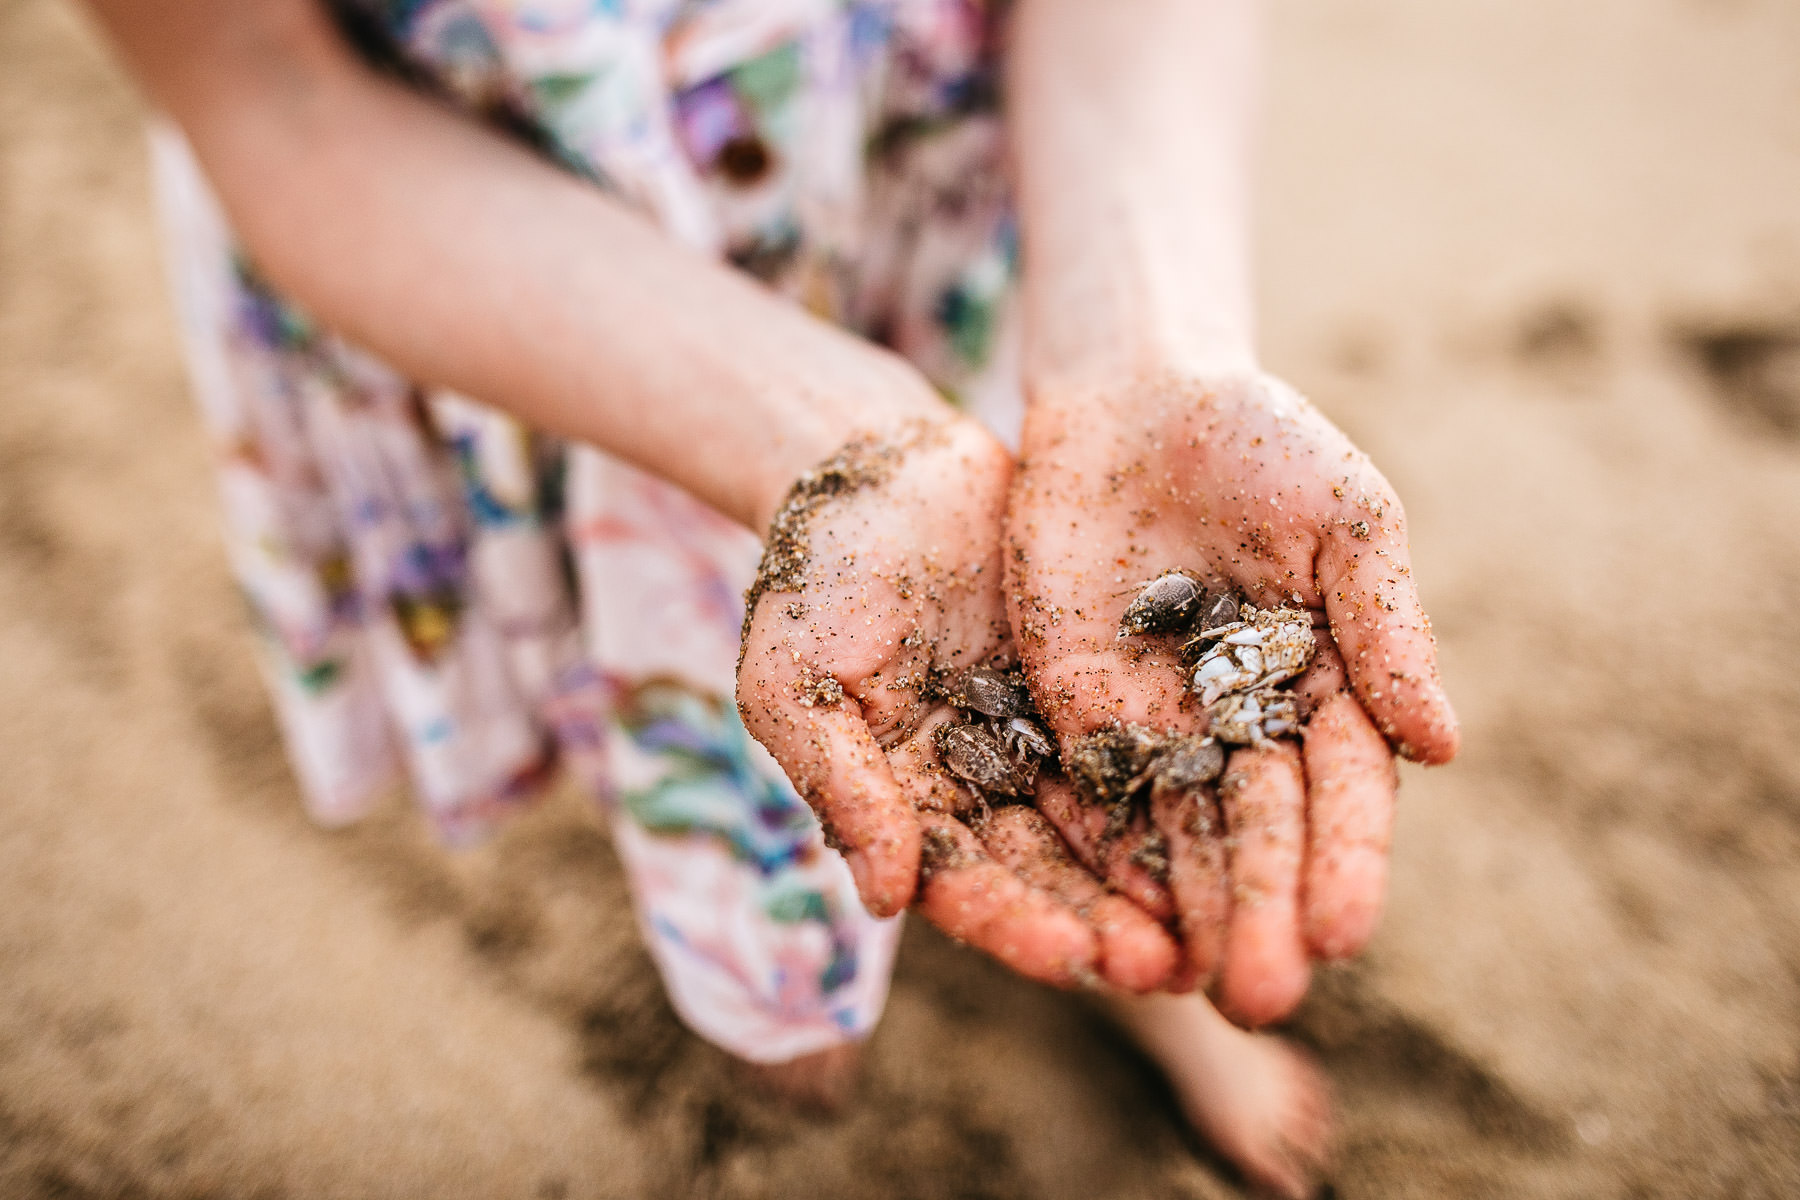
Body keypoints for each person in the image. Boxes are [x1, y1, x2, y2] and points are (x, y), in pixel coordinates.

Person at [85, 0, 1458, 1194]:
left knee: (1045, 564)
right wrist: (828, 435)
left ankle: (1144, 959)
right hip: (523, 279)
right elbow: (271, 84)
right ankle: (780, 965)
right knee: (775, 653)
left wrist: (1151, 343)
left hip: (939, 167)